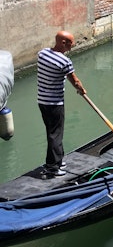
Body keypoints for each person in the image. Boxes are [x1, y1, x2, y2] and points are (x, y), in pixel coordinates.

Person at [37, 31, 86, 177]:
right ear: (63, 43)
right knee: (55, 134)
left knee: (52, 132)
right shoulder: (64, 62)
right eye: (71, 42)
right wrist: (82, 90)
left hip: (41, 100)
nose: (74, 44)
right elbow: (74, 80)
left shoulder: (42, 53)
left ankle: (58, 159)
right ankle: (52, 168)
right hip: (54, 103)